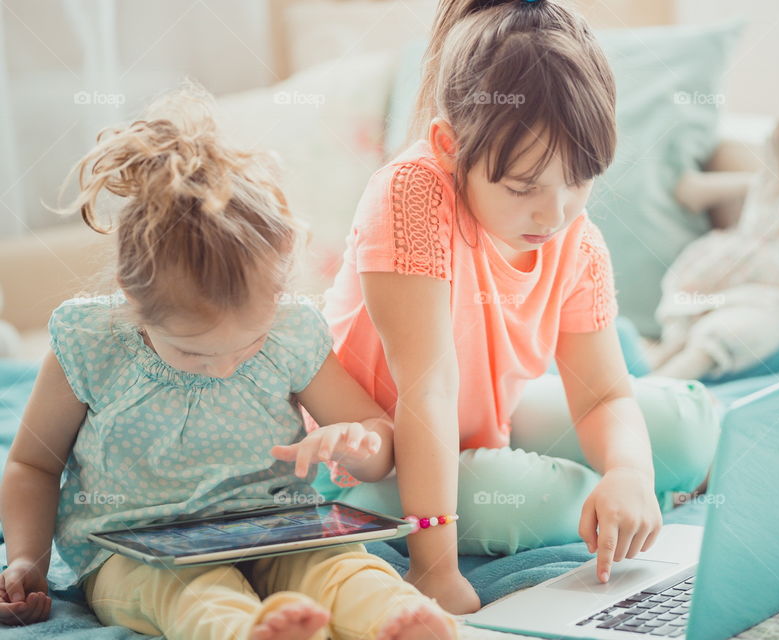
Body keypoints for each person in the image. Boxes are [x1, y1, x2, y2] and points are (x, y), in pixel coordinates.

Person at [0, 85, 456, 640]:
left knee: (343, 567)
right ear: (130, 297)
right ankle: (249, 633)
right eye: (193, 351)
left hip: (278, 529)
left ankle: (400, 622)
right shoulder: (89, 342)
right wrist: (28, 560)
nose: (224, 366)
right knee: (192, 595)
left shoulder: (291, 335)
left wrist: (358, 446)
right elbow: (32, 466)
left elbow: (380, 438)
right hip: (135, 551)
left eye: (248, 344)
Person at [317, 0, 721, 615]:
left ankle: (636, 499)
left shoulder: (573, 234)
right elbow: (427, 393)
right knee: (520, 501)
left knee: (685, 428)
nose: (553, 215)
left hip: (486, 420)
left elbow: (605, 393)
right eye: (524, 187)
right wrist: (435, 570)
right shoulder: (410, 196)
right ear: (450, 147)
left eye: (579, 181)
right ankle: (625, 512)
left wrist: (630, 474)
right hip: (382, 458)